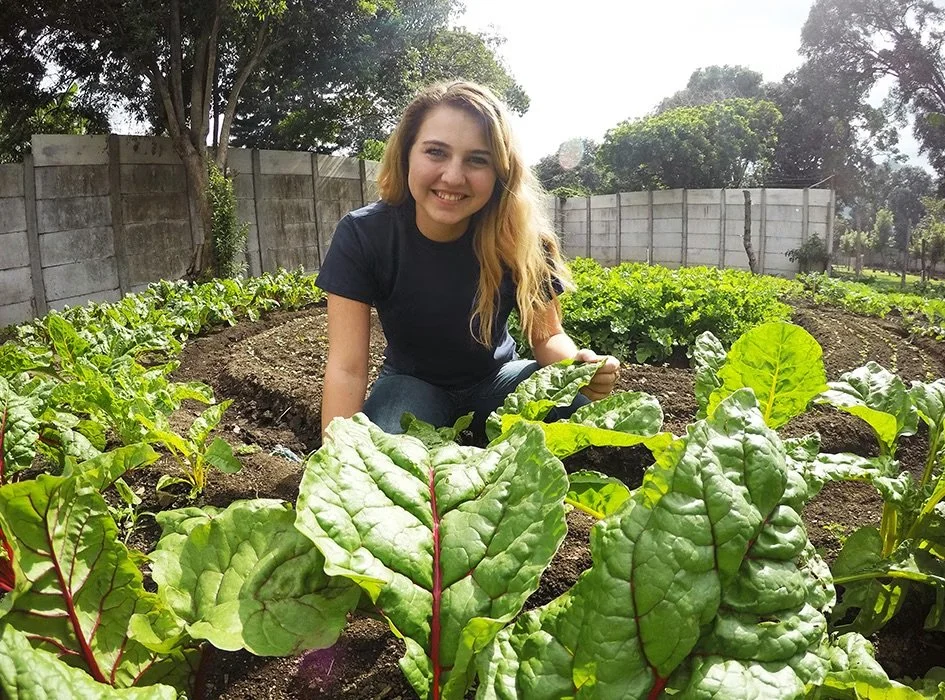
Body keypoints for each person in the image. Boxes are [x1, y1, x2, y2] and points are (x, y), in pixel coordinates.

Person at [315, 80, 619, 438]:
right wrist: (337, 458)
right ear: (406, 154)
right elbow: (347, 368)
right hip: (410, 386)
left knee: (576, 406)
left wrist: (579, 367)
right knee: (387, 446)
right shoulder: (363, 234)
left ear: (500, 171)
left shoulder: (521, 238)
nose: (453, 176)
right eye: (436, 152)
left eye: (477, 160)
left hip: (498, 381)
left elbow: (548, 336)